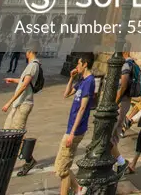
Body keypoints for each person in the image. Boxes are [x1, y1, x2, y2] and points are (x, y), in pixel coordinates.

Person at [54, 53, 96, 195]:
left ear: (85, 64)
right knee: (61, 167)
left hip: (75, 130)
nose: (77, 66)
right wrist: (71, 77)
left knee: (63, 169)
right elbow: (66, 94)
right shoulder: (82, 80)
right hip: (71, 127)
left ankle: (72, 191)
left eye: (79, 63)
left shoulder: (89, 81)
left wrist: (72, 132)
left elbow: (83, 108)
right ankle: (78, 189)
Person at [2, 48, 40, 131]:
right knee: (9, 129)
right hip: (20, 102)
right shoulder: (33, 65)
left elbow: (24, 86)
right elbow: (24, 81)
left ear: (30, 51)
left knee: (16, 131)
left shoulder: (32, 65)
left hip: (23, 103)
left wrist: (9, 102)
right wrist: (13, 80)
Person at [111, 50, 137, 174]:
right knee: (114, 135)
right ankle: (114, 164)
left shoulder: (126, 64)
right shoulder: (130, 63)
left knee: (110, 135)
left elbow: (123, 86)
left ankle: (122, 163)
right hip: (124, 102)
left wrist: (115, 102)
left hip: (121, 102)